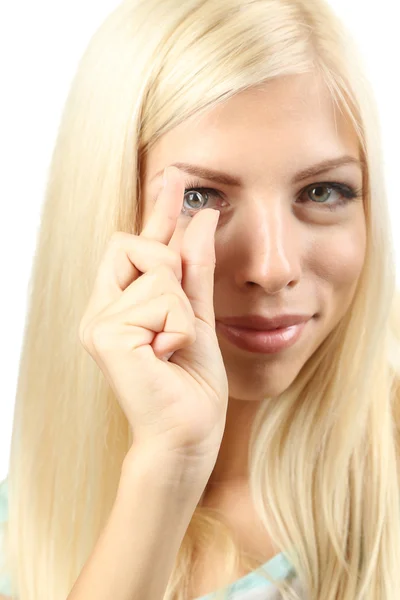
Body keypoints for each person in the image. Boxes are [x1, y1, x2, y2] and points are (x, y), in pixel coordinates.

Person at [1, 0, 400, 598]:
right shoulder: (17, 523)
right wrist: (168, 465)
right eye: (202, 197)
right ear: (104, 210)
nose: (272, 268)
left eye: (323, 189)